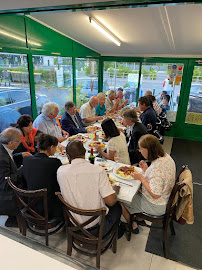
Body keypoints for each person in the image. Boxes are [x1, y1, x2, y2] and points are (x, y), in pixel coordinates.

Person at [57, 140, 122, 237]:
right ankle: (113, 233)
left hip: (74, 223)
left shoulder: (60, 171)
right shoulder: (98, 171)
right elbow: (111, 201)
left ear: (68, 156)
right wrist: (115, 190)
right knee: (117, 207)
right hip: (96, 227)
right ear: (84, 153)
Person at [121, 134, 176, 233]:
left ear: (148, 150)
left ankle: (131, 225)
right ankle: (139, 218)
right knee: (134, 190)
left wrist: (142, 178)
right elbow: (159, 180)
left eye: (141, 149)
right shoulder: (166, 157)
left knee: (121, 198)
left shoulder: (157, 168)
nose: (140, 151)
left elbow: (155, 194)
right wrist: (146, 170)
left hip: (157, 205)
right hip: (165, 199)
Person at [22, 134, 63, 219]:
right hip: (49, 208)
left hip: (30, 204)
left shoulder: (26, 159)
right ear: (51, 147)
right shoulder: (55, 162)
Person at [0, 127, 25, 227]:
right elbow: (5, 183)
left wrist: (19, 155)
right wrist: (21, 170)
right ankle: (16, 218)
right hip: (6, 196)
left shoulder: (3, 148)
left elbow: (9, 160)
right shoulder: (1, 158)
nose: (20, 143)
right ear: (11, 143)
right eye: (19, 141)